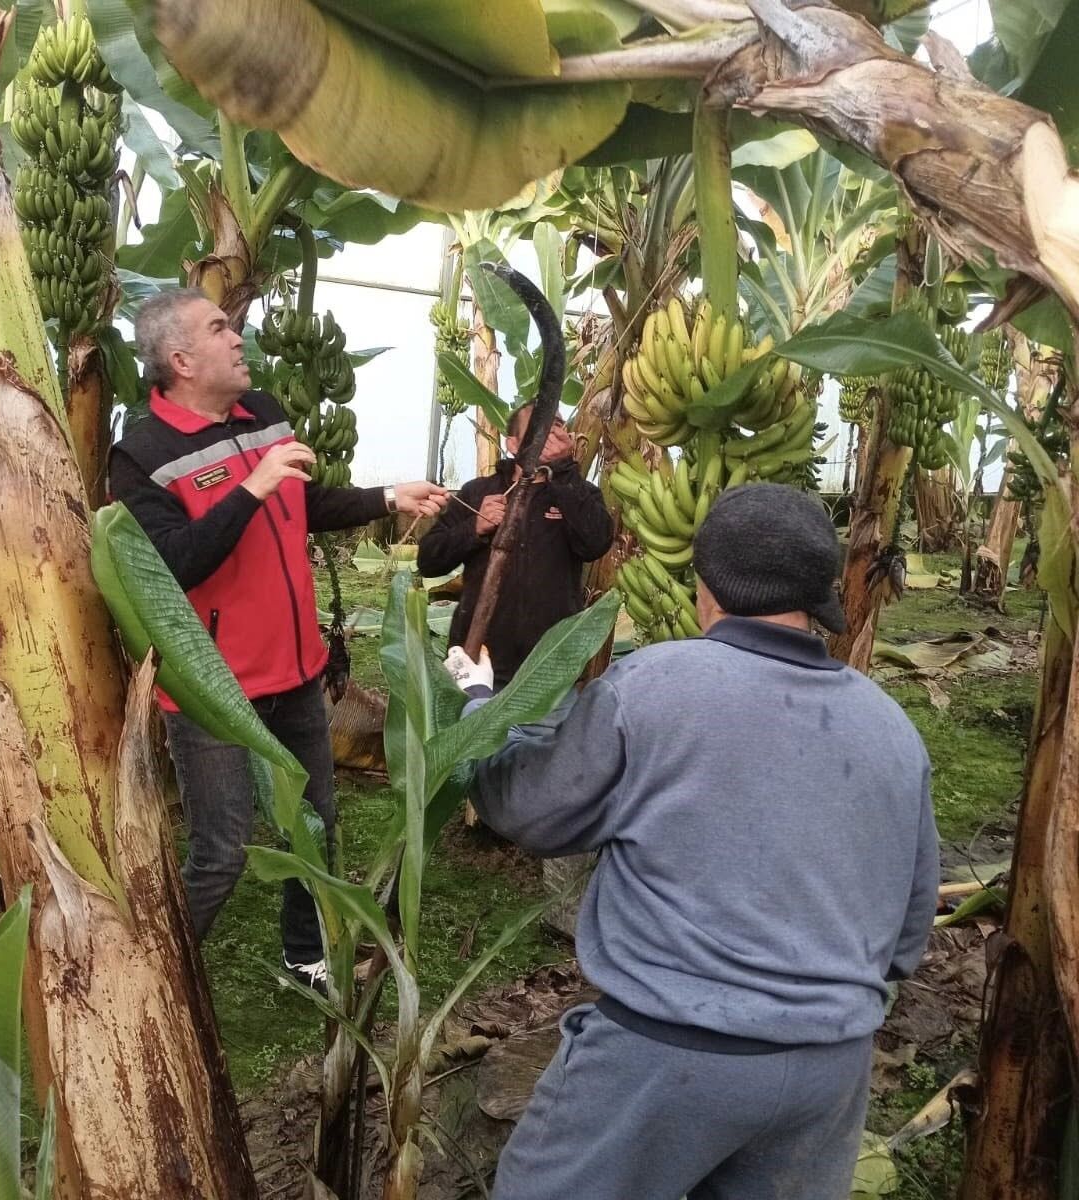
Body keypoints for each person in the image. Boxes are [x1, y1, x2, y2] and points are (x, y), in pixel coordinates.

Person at [444, 483, 939, 1200]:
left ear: (707, 588)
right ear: (820, 599)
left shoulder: (653, 685)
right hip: (829, 1072)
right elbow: (906, 935)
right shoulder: (891, 726)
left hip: (667, 1057)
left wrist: (482, 710)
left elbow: (529, 807)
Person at [108, 288, 447, 989]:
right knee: (221, 849)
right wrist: (250, 488)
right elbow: (174, 560)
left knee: (315, 828)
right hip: (213, 689)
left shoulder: (263, 415)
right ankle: (152, 985)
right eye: (219, 329)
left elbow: (305, 502)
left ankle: (306, 959)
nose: (238, 338)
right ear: (181, 359)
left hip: (295, 673)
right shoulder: (142, 456)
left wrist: (387, 499)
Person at [417, 405, 613, 688]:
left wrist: (564, 474)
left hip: (548, 674)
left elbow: (595, 543)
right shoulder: (477, 492)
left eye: (557, 424)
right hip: (479, 664)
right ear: (512, 444)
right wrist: (474, 528)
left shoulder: (579, 493)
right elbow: (429, 559)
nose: (549, 431)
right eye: (539, 425)